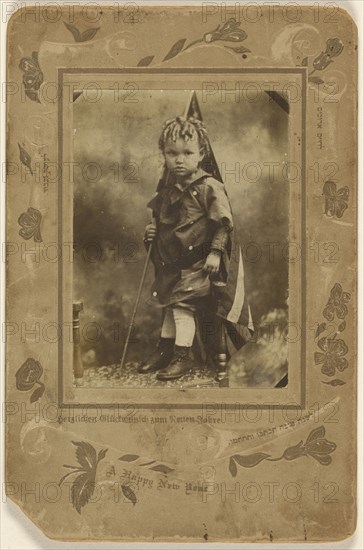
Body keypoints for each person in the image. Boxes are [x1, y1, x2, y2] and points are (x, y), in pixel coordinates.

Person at [139, 116, 251, 381]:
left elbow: (224, 224)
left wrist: (214, 252)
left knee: (182, 308)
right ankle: (165, 350)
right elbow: (163, 227)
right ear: (163, 155)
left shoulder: (209, 187)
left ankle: (182, 357)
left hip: (197, 264)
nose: (179, 159)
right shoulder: (167, 192)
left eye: (188, 153)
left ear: (201, 154)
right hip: (173, 265)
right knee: (170, 304)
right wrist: (150, 234)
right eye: (172, 153)